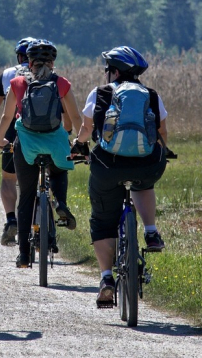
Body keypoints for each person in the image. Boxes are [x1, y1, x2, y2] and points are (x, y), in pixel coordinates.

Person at [70, 46, 168, 307]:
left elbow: (87, 128)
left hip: (107, 165)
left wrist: (79, 145)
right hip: (147, 164)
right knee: (144, 183)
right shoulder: (151, 95)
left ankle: (106, 279)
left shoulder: (101, 93)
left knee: (102, 220)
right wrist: (159, 154)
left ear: (114, 71)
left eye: (107, 69)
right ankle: (150, 231)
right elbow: (162, 134)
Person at [0, 39, 82, 268]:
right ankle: (60, 202)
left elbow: (6, 117)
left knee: (26, 197)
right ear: (52, 62)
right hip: (54, 144)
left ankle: (24, 255)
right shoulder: (61, 83)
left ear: (28, 61)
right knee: (60, 169)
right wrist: (76, 139)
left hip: (26, 146)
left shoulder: (17, 82)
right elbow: (75, 118)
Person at [0, 37, 34, 246]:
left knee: (9, 178)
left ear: (19, 56)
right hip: (45, 132)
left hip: (14, 130)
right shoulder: (49, 74)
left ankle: (11, 219)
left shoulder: (9, 74)